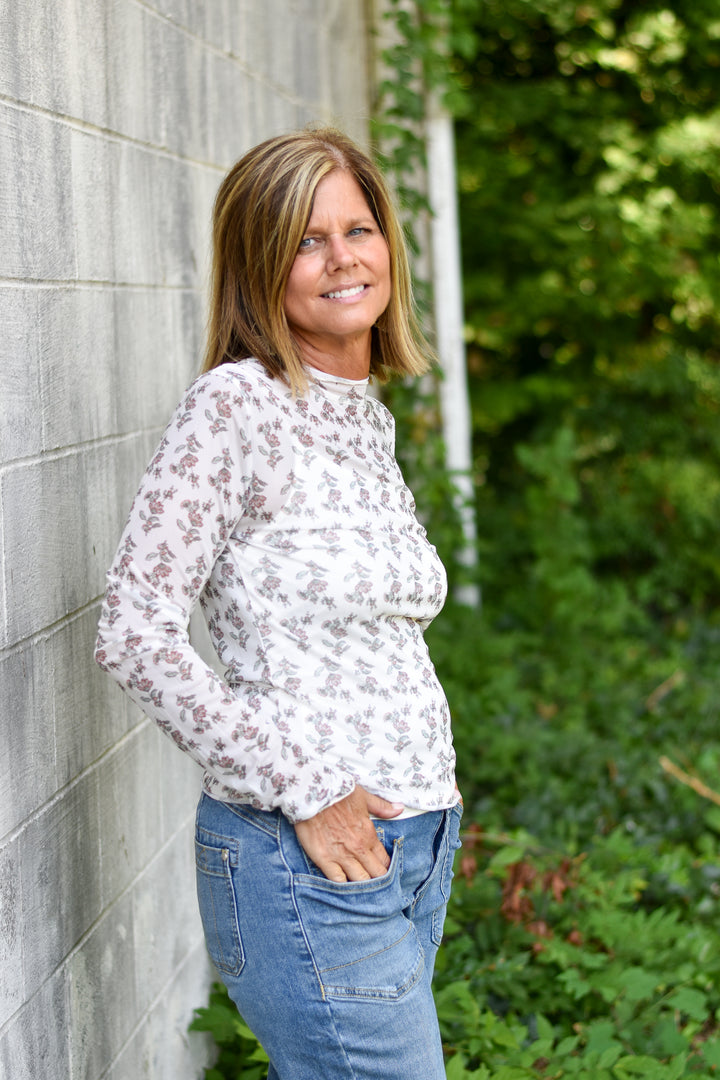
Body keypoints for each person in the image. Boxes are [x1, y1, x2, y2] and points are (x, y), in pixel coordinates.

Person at [95, 127, 462, 1080]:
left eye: (358, 228)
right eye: (305, 240)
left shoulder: (362, 418)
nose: (343, 257)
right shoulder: (236, 407)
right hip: (307, 859)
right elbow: (134, 632)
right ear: (260, 266)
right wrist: (308, 786)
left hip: (410, 853)